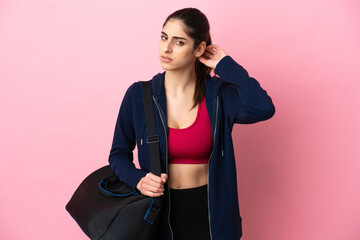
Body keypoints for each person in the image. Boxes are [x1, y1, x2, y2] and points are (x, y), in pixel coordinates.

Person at [108, 7, 275, 240]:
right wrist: (138, 180)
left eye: (179, 42)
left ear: (199, 49)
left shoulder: (219, 96)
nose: (166, 48)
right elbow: (118, 154)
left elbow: (263, 108)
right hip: (157, 214)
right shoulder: (139, 95)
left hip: (212, 215)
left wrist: (225, 64)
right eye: (164, 37)